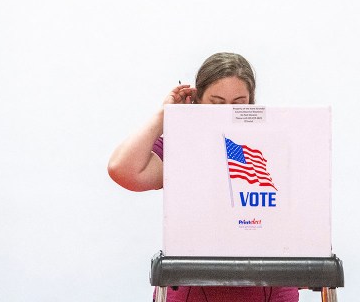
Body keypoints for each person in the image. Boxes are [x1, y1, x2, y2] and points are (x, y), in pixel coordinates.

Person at [108, 52, 299, 302]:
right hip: (191, 287)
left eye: (239, 103)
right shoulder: (180, 146)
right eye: (217, 103)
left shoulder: (274, 146)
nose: (228, 112)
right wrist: (165, 116)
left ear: (251, 103)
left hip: (269, 287)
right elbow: (122, 170)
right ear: (197, 101)